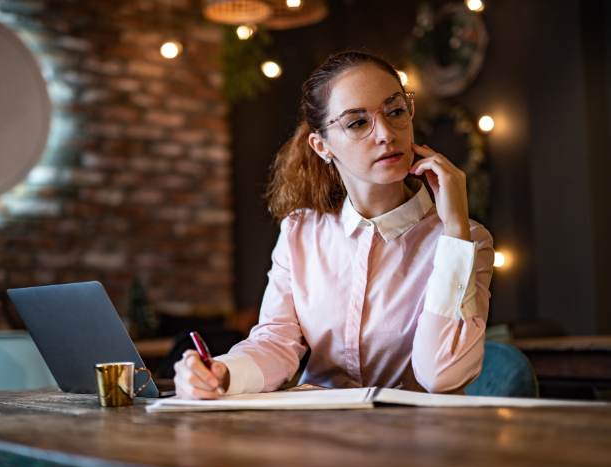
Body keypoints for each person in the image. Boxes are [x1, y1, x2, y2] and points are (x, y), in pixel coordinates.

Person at [173, 50, 494, 398]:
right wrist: (223, 373)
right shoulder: (300, 231)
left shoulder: (466, 241)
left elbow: (441, 376)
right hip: (318, 435)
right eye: (357, 123)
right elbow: (275, 342)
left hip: (417, 441)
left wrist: (454, 232)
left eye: (396, 111)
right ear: (322, 145)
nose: (386, 133)